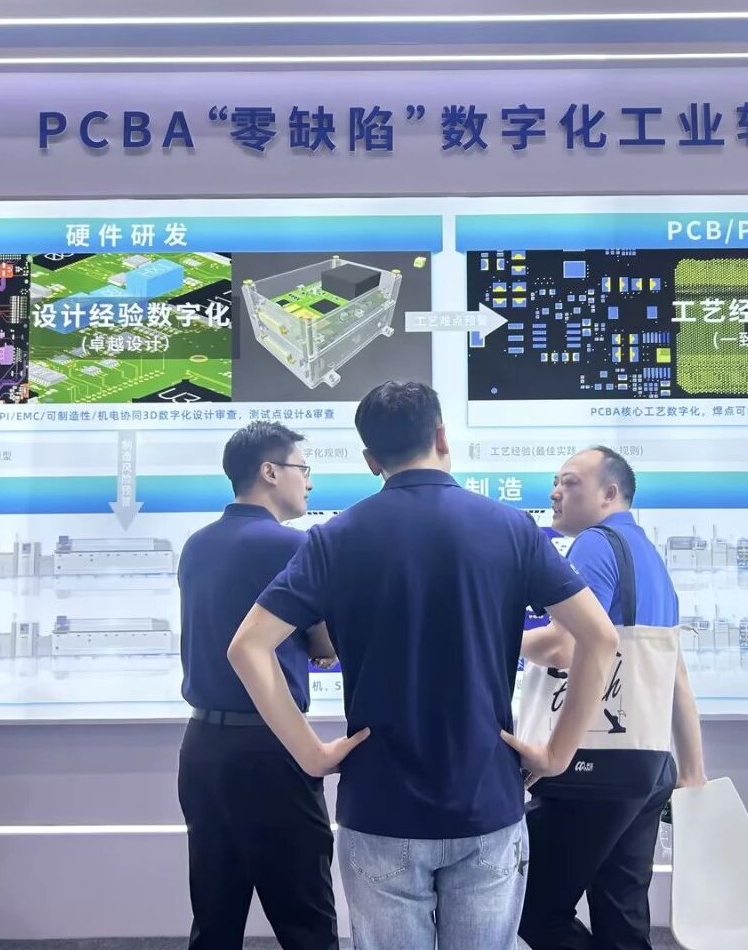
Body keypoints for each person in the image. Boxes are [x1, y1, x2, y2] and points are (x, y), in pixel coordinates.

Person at [228, 381, 619, 950]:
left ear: (371, 460)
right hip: (486, 799)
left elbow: (246, 647)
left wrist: (310, 754)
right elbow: (600, 638)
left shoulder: (334, 538)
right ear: (441, 436)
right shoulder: (512, 528)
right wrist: (558, 753)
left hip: (379, 805)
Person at [517, 446, 707, 950]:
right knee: (622, 914)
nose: (555, 493)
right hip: (648, 765)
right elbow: (674, 674)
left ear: (609, 493)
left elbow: (564, 645)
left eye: (570, 482)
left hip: (592, 766)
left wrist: (494, 637)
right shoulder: (649, 556)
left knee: (532, 908)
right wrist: (692, 769)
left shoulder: (593, 546)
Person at [176, 421, 340, 950]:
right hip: (271, 747)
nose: (309, 482)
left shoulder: (197, 545)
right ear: (270, 472)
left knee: (214, 919)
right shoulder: (294, 546)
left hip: (203, 749)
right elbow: (326, 642)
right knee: (306, 919)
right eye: (302, 469)